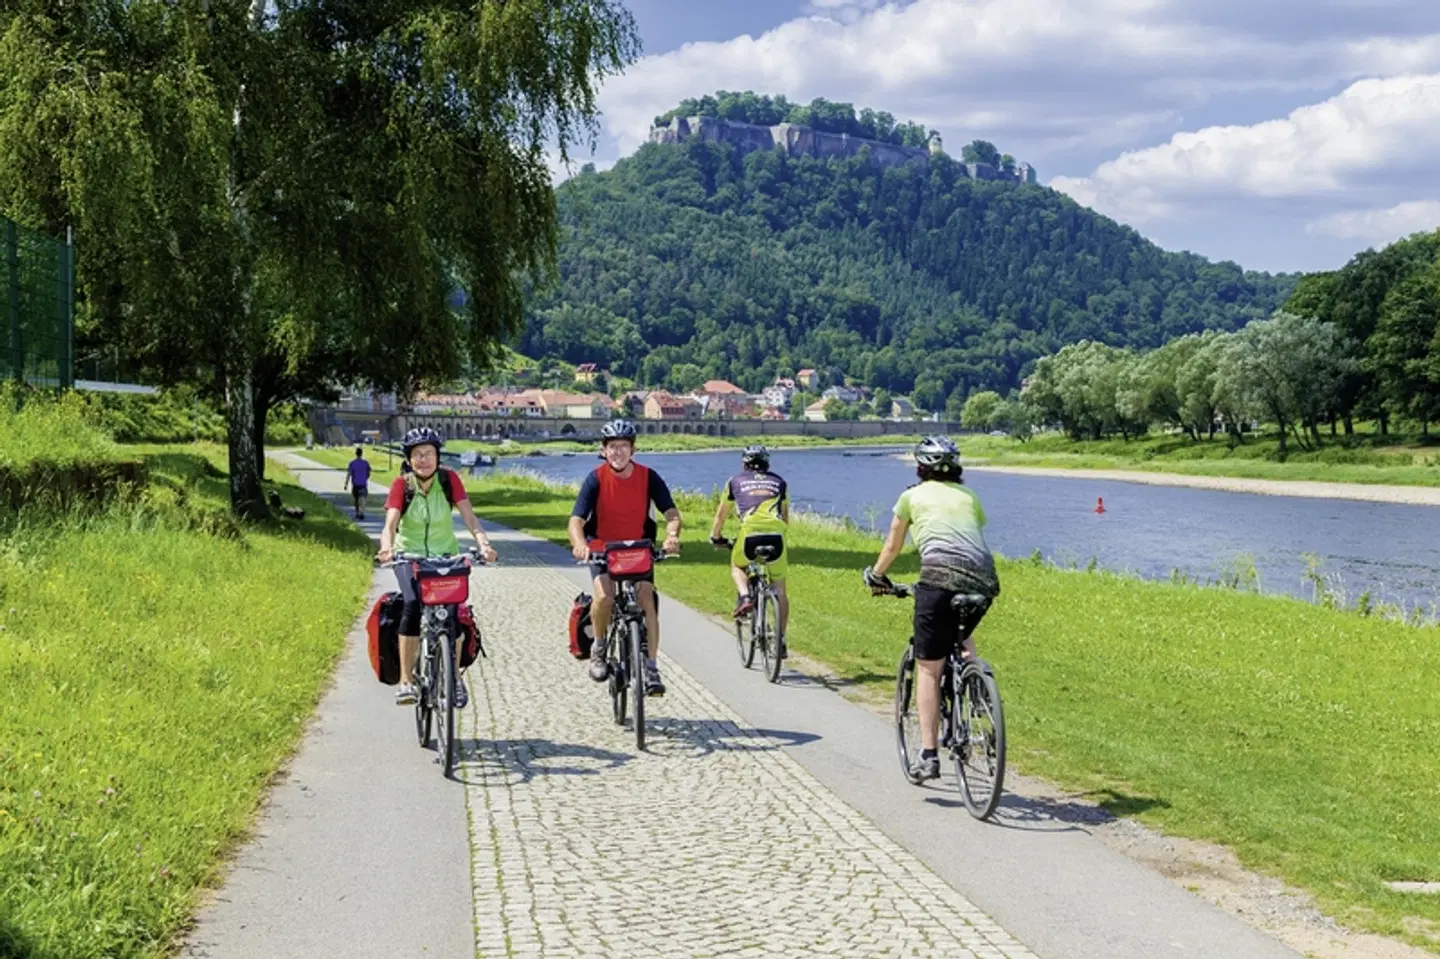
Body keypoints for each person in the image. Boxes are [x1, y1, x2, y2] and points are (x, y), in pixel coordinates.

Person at [864, 436, 999, 782]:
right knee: (962, 635)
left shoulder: (911, 496)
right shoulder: (970, 496)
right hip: (983, 580)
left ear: (921, 467)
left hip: (937, 581)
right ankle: (978, 691)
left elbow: (893, 545)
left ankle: (928, 754)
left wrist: (876, 576)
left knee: (928, 668)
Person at [376, 427, 498, 708]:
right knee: (411, 605)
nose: (423, 459)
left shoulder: (449, 480)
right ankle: (407, 681)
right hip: (409, 556)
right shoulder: (402, 486)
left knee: (452, 614)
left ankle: (453, 677)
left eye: (429, 453)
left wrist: (483, 544)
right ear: (409, 459)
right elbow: (390, 525)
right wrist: (387, 549)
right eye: (417, 454)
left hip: (445, 556)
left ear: (437, 457)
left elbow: (471, 518)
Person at [568, 419, 681, 695]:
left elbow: (671, 513)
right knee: (604, 596)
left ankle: (652, 666)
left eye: (623, 446)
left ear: (633, 449)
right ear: (604, 450)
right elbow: (576, 520)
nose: (618, 452)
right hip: (603, 548)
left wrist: (672, 535)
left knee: (647, 601)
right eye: (612, 447)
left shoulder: (648, 477)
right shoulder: (595, 479)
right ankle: (600, 646)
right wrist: (580, 544)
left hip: (638, 549)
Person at [709, 444, 790, 648]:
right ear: (767, 463)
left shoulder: (734, 481)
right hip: (776, 537)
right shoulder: (780, 482)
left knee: (737, 566)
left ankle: (745, 597)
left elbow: (721, 515)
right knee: (779, 588)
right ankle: (780, 640)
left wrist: (716, 537)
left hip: (749, 535)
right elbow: (785, 518)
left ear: (744, 463)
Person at [343, 446, 372, 520]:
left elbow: (349, 474)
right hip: (363, 484)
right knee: (363, 498)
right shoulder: (365, 463)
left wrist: (346, 484)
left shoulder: (352, 463)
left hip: (355, 484)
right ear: (361, 453)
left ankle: (357, 512)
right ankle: (361, 512)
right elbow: (369, 472)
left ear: (356, 454)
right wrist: (366, 478)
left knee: (356, 499)